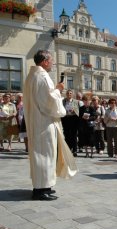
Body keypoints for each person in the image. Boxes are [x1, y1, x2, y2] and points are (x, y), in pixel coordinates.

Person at [23, 50, 77, 201]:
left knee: (45, 155)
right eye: (51, 60)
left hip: (38, 121)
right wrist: (59, 90)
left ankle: (45, 186)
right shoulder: (42, 76)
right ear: (45, 61)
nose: (52, 63)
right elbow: (48, 101)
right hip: (44, 123)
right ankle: (40, 190)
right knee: (44, 155)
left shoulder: (31, 76)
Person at [61, 89, 80, 156]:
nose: (69, 94)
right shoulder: (63, 101)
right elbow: (61, 109)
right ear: (66, 94)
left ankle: (75, 150)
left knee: (74, 135)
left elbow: (78, 111)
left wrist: (74, 110)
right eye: (68, 93)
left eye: (70, 93)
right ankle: (68, 149)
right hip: (66, 119)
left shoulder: (76, 101)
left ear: (72, 94)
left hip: (73, 119)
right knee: (66, 134)